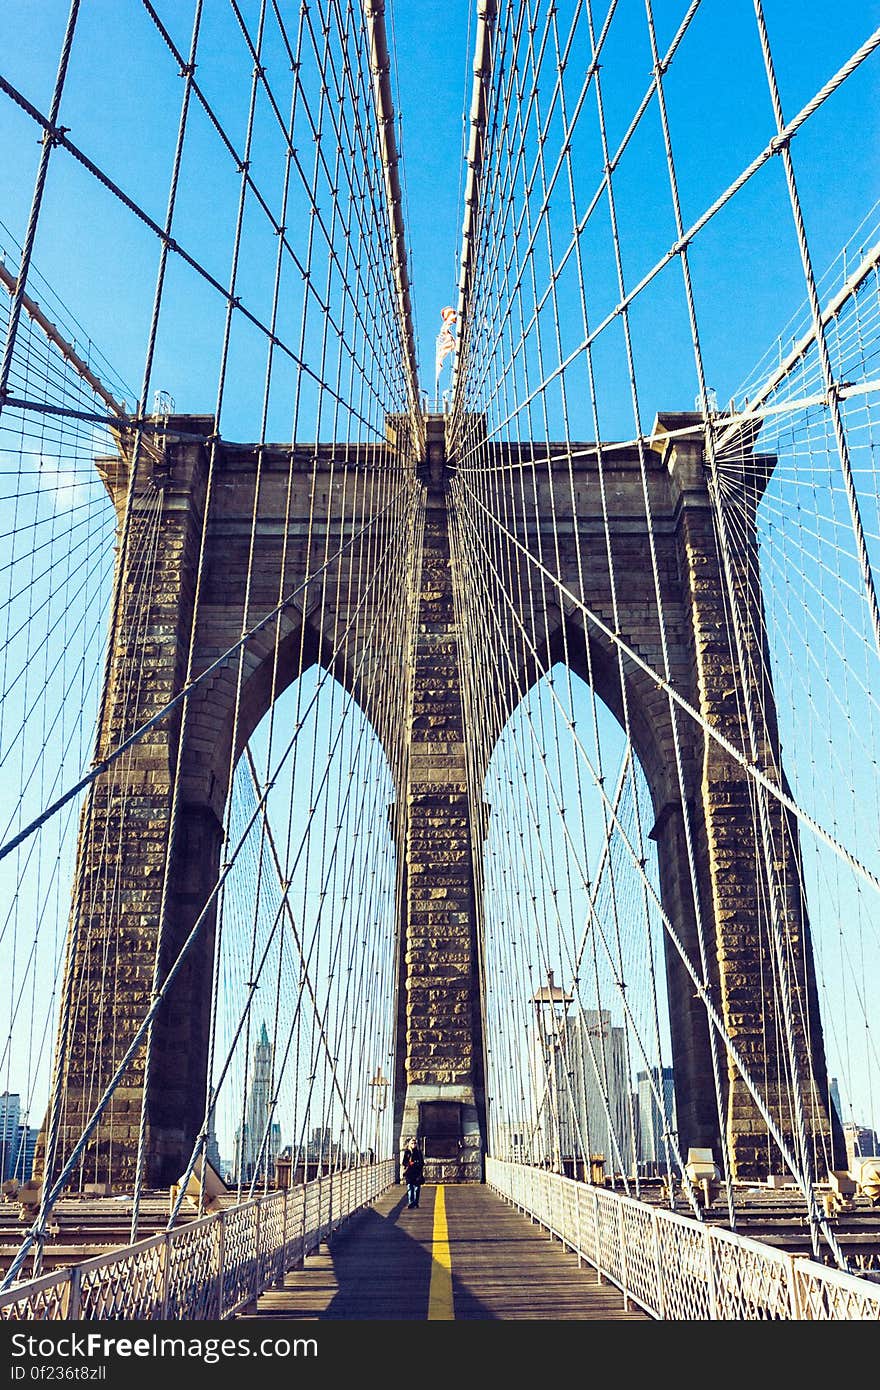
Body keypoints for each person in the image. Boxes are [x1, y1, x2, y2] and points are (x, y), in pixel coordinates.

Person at [402, 1138, 424, 1209]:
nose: (413, 1145)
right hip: (409, 1173)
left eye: (415, 1143)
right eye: (412, 1143)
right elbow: (404, 1162)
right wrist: (409, 1163)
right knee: (410, 1188)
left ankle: (416, 1202)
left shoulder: (419, 1152)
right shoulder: (407, 1152)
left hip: (417, 1173)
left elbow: (422, 1163)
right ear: (409, 1144)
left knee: (417, 1189)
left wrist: (416, 1164)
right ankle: (411, 1202)